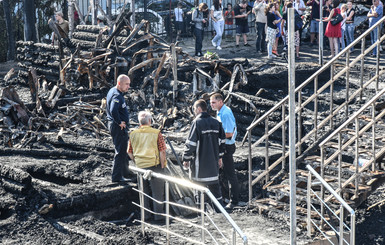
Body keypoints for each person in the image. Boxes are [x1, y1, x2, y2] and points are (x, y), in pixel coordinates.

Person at [183, 99, 226, 210]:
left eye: (194, 109)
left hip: (200, 167)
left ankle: (200, 214)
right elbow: (222, 142)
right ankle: (221, 213)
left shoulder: (197, 123)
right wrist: (220, 157)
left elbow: (191, 144)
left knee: (199, 191)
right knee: (216, 191)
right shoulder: (216, 122)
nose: (193, 112)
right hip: (213, 167)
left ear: (198, 109)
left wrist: (186, 158)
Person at [128, 111, 166, 221]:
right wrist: (162, 165)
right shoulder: (156, 133)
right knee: (157, 193)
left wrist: (137, 161)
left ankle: (146, 216)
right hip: (155, 166)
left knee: (143, 192)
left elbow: (129, 152)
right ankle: (159, 217)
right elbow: (162, 151)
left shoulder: (133, 134)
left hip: (140, 166)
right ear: (150, 121)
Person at [210, 93, 240, 210]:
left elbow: (229, 133)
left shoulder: (225, 113)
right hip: (224, 145)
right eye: (211, 102)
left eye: (213, 102)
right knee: (224, 173)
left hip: (227, 146)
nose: (211, 105)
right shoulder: (220, 111)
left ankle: (234, 201)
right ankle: (225, 197)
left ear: (220, 102)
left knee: (230, 173)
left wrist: (214, 136)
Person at [106, 74, 132, 183]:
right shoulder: (116, 95)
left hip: (116, 125)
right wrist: (119, 122)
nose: (128, 87)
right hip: (117, 127)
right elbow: (113, 110)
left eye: (129, 84)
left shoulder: (114, 91)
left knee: (123, 150)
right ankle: (116, 177)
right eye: (126, 84)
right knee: (120, 152)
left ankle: (126, 172)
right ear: (119, 83)